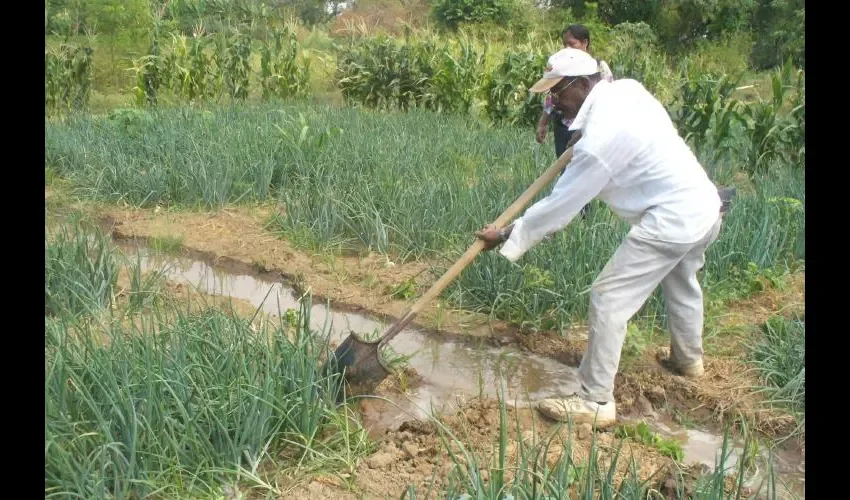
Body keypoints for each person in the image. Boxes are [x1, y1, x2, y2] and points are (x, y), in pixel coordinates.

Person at [476, 48, 723, 429]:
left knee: (609, 297)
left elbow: (561, 207)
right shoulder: (625, 91)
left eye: (559, 92)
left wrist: (507, 233)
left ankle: (594, 400)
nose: (554, 102)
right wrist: (582, 130)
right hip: (703, 205)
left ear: (583, 84)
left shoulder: (598, 144)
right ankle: (688, 361)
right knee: (682, 283)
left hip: (672, 218)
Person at [536, 24, 613, 218]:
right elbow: (551, 98)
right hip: (564, 126)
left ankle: (584, 216)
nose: (567, 49)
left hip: (587, 128)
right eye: (564, 45)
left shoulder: (598, 68)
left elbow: (606, 100)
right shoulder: (561, 64)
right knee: (566, 172)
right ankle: (567, 215)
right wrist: (543, 122)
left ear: (585, 43)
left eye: (572, 44)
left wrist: (589, 129)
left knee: (584, 173)